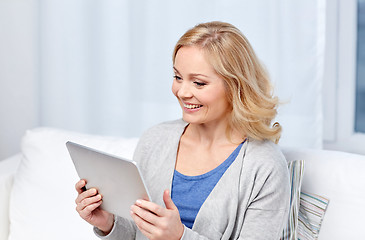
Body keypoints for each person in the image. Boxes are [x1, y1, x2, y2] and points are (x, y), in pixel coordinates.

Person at [75, 21, 290, 240]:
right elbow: (134, 234)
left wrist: (179, 236)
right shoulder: (155, 140)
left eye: (198, 83)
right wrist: (108, 224)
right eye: (178, 77)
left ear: (235, 87)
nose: (182, 92)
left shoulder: (265, 166)